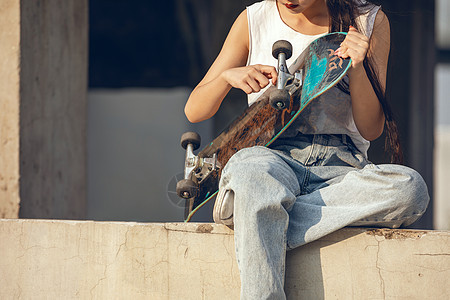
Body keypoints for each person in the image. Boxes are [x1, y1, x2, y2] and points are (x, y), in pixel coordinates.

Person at [184, 0, 430, 299]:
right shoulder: (254, 18)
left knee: (409, 189)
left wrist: (357, 67)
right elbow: (195, 110)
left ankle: (256, 212)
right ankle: (259, 204)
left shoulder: (369, 21)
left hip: (340, 168)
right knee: (250, 169)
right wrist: (227, 78)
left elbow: (371, 129)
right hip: (270, 158)